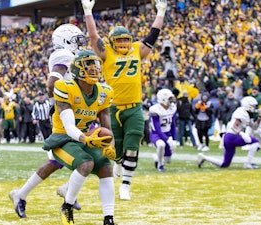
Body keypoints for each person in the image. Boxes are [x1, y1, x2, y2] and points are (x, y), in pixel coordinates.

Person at [81, 0, 168, 200]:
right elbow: (94, 37)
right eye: (119, 40)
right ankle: (119, 163)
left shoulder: (137, 49)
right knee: (116, 150)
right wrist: (88, 12)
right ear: (112, 42)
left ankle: (126, 184)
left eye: (125, 40)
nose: (123, 44)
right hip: (112, 108)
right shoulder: (107, 52)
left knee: (133, 143)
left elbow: (153, 36)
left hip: (134, 107)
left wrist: (160, 12)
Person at [9, 24, 87, 218]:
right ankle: (67, 189)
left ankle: (22, 194)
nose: (80, 44)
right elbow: (53, 81)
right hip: (66, 114)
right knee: (91, 153)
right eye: (77, 40)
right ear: (66, 41)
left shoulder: (72, 57)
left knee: (57, 162)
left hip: (77, 113)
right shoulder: (63, 55)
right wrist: (55, 105)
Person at [43, 50, 116, 225]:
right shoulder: (64, 86)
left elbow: (105, 119)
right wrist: (85, 139)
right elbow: (68, 126)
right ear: (77, 69)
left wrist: (110, 145)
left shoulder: (104, 91)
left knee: (106, 166)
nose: (94, 69)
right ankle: (67, 206)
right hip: (62, 139)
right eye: (88, 65)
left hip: (85, 137)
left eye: (95, 65)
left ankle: (109, 218)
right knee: (86, 164)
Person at [197, 96, 261, 169]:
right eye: (253, 106)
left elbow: (254, 127)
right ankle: (248, 163)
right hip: (232, 137)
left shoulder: (247, 113)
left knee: (224, 164)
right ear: (248, 105)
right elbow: (234, 127)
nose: (255, 108)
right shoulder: (242, 112)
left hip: (229, 137)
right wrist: (242, 134)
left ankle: (203, 157)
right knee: (255, 142)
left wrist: (259, 117)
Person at [149, 89, 178, 172]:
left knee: (168, 160)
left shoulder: (172, 108)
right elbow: (157, 129)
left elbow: (173, 125)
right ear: (163, 99)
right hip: (156, 134)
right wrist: (167, 139)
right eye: (170, 98)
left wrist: (174, 139)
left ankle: (156, 157)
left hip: (167, 133)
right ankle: (160, 165)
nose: (172, 100)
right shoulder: (155, 110)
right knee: (161, 145)